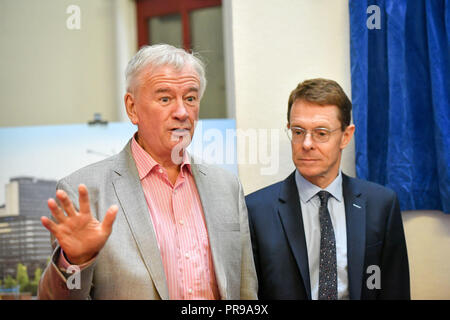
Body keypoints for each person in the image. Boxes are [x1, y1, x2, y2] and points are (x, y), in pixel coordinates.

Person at [38, 44, 257, 300]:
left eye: (190, 98)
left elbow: (245, 292)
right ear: (132, 108)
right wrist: (75, 261)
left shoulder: (227, 187)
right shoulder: (84, 191)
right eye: (165, 99)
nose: (182, 113)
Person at [246, 78, 410, 300]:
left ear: (346, 136)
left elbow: (393, 289)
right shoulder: (256, 211)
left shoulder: (380, 205)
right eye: (298, 131)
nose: (306, 144)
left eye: (321, 133)